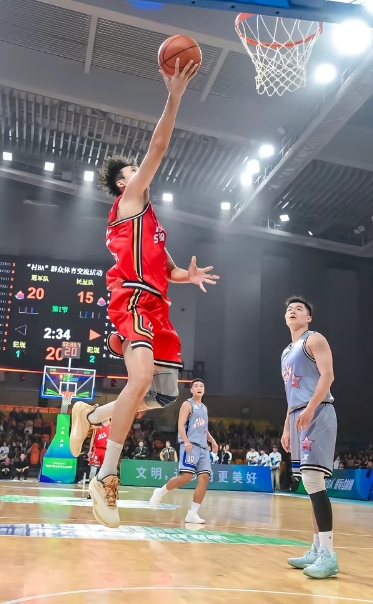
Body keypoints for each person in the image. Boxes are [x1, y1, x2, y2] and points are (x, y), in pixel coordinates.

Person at [67, 55, 220, 528]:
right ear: (123, 182)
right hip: (131, 298)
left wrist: (187, 276)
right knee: (140, 378)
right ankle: (106, 476)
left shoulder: (151, 222)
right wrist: (174, 97)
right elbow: (159, 145)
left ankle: (91, 415)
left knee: (163, 393)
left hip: (158, 303)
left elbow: (168, 269)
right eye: (134, 170)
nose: (142, 173)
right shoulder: (129, 201)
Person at [280, 296, 339, 579]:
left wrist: (311, 408)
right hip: (298, 415)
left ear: (309, 318)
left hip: (318, 411)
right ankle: (316, 549)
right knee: (309, 483)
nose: (292, 311)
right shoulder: (285, 353)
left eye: (299, 309)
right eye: (289, 309)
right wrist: (286, 427)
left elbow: (328, 376)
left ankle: (329, 555)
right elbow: (291, 395)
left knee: (314, 480)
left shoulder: (314, 339)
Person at [148, 380, 219, 523]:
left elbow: (204, 429)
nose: (199, 388)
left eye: (201, 386)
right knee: (186, 477)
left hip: (203, 447)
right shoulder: (187, 404)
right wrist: (186, 441)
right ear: (191, 390)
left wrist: (213, 441)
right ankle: (160, 491)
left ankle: (192, 513)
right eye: (196, 386)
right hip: (190, 445)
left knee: (204, 478)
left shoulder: (204, 408)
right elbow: (180, 425)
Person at [88, 419, 111, 484]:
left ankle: (103, 485)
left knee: (105, 471)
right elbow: (93, 438)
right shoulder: (97, 425)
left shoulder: (112, 426)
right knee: (93, 470)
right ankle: (91, 485)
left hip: (106, 450)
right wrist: (90, 450)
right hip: (96, 450)